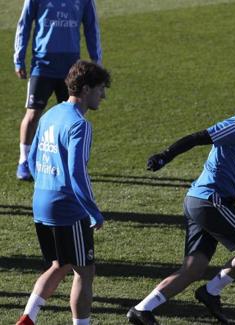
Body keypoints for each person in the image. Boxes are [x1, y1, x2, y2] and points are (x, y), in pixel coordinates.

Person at [127, 75, 235, 325]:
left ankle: (142, 309)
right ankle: (211, 291)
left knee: (193, 268)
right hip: (209, 201)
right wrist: (165, 156)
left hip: (204, 203)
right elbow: (198, 137)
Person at [16, 61, 111, 325]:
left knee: (59, 264)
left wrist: (47, 182)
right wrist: (93, 211)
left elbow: (32, 158)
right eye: (101, 89)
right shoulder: (80, 125)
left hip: (41, 202)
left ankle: (28, 318)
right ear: (87, 89)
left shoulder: (51, 114)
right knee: (85, 271)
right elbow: (77, 173)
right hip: (68, 209)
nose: (103, 96)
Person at [14, 0, 102, 181]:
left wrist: (96, 59)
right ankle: (24, 160)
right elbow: (24, 24)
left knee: (73, 117)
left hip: (71, 68)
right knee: (32, 114)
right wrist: (19, 58)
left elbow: (91, 26)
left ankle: (71, 162)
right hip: (42, 65)